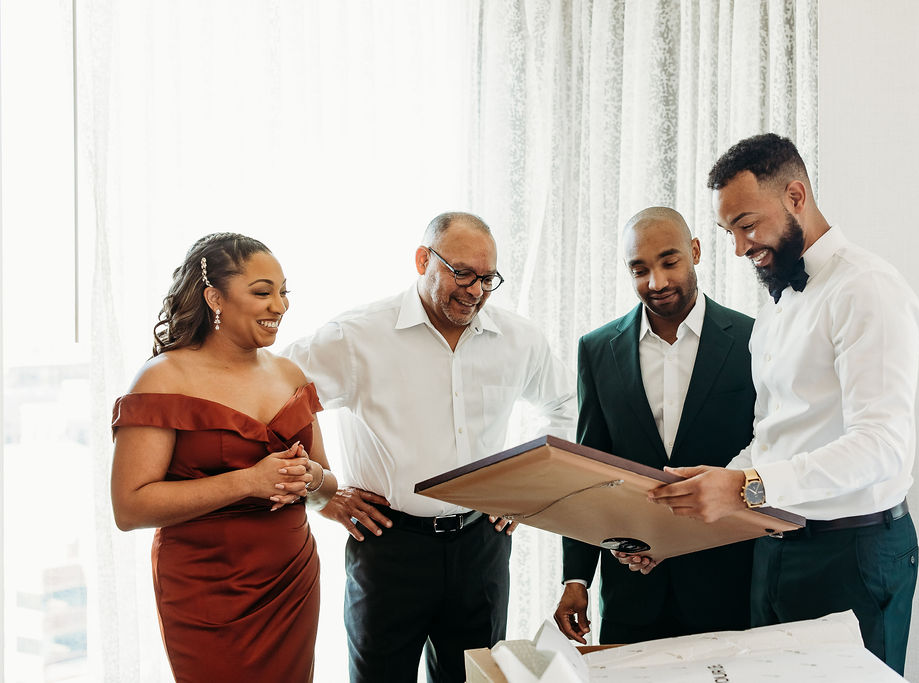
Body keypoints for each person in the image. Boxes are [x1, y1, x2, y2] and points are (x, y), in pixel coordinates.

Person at [647, 133, 919, 674]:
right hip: (776, 546)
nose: (739, 249)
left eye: (747, 226)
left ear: (796, 196)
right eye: (729, 232)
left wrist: (746, 487)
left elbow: (882, 446)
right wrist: (681, 522)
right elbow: (771, 437)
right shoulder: (776, 303)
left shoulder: (867, 290)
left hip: (856, 552)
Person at [282, 211, 576, 683]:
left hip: (482, 546)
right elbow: (270, 395)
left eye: (487, 278)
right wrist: (322, 492)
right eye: (462, 273)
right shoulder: (355, 336)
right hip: (387, 545)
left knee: (473, 677)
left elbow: (565, 404)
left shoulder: (519, 339)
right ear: (423, 260)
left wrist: (526, 490)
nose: (476, 291)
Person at [110, 233, 337, 683]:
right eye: (262, 292)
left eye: (283, 291)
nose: (280, 305)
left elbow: (327, 483)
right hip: (206, 590)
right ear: (214, 297)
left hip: (291, 579)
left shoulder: (290, 374)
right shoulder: (162, 379)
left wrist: (308, 477)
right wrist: (248, 482)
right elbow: (129, 508)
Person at [553, 207, 756, 645]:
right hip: (632, 592)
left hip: (727, 585)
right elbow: (591, 469)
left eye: (669, 261)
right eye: (639, 269)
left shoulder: (752, 341)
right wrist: (577, 580)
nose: (657, 282)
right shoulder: (596, 350)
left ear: (696, 252)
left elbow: (767, 453)